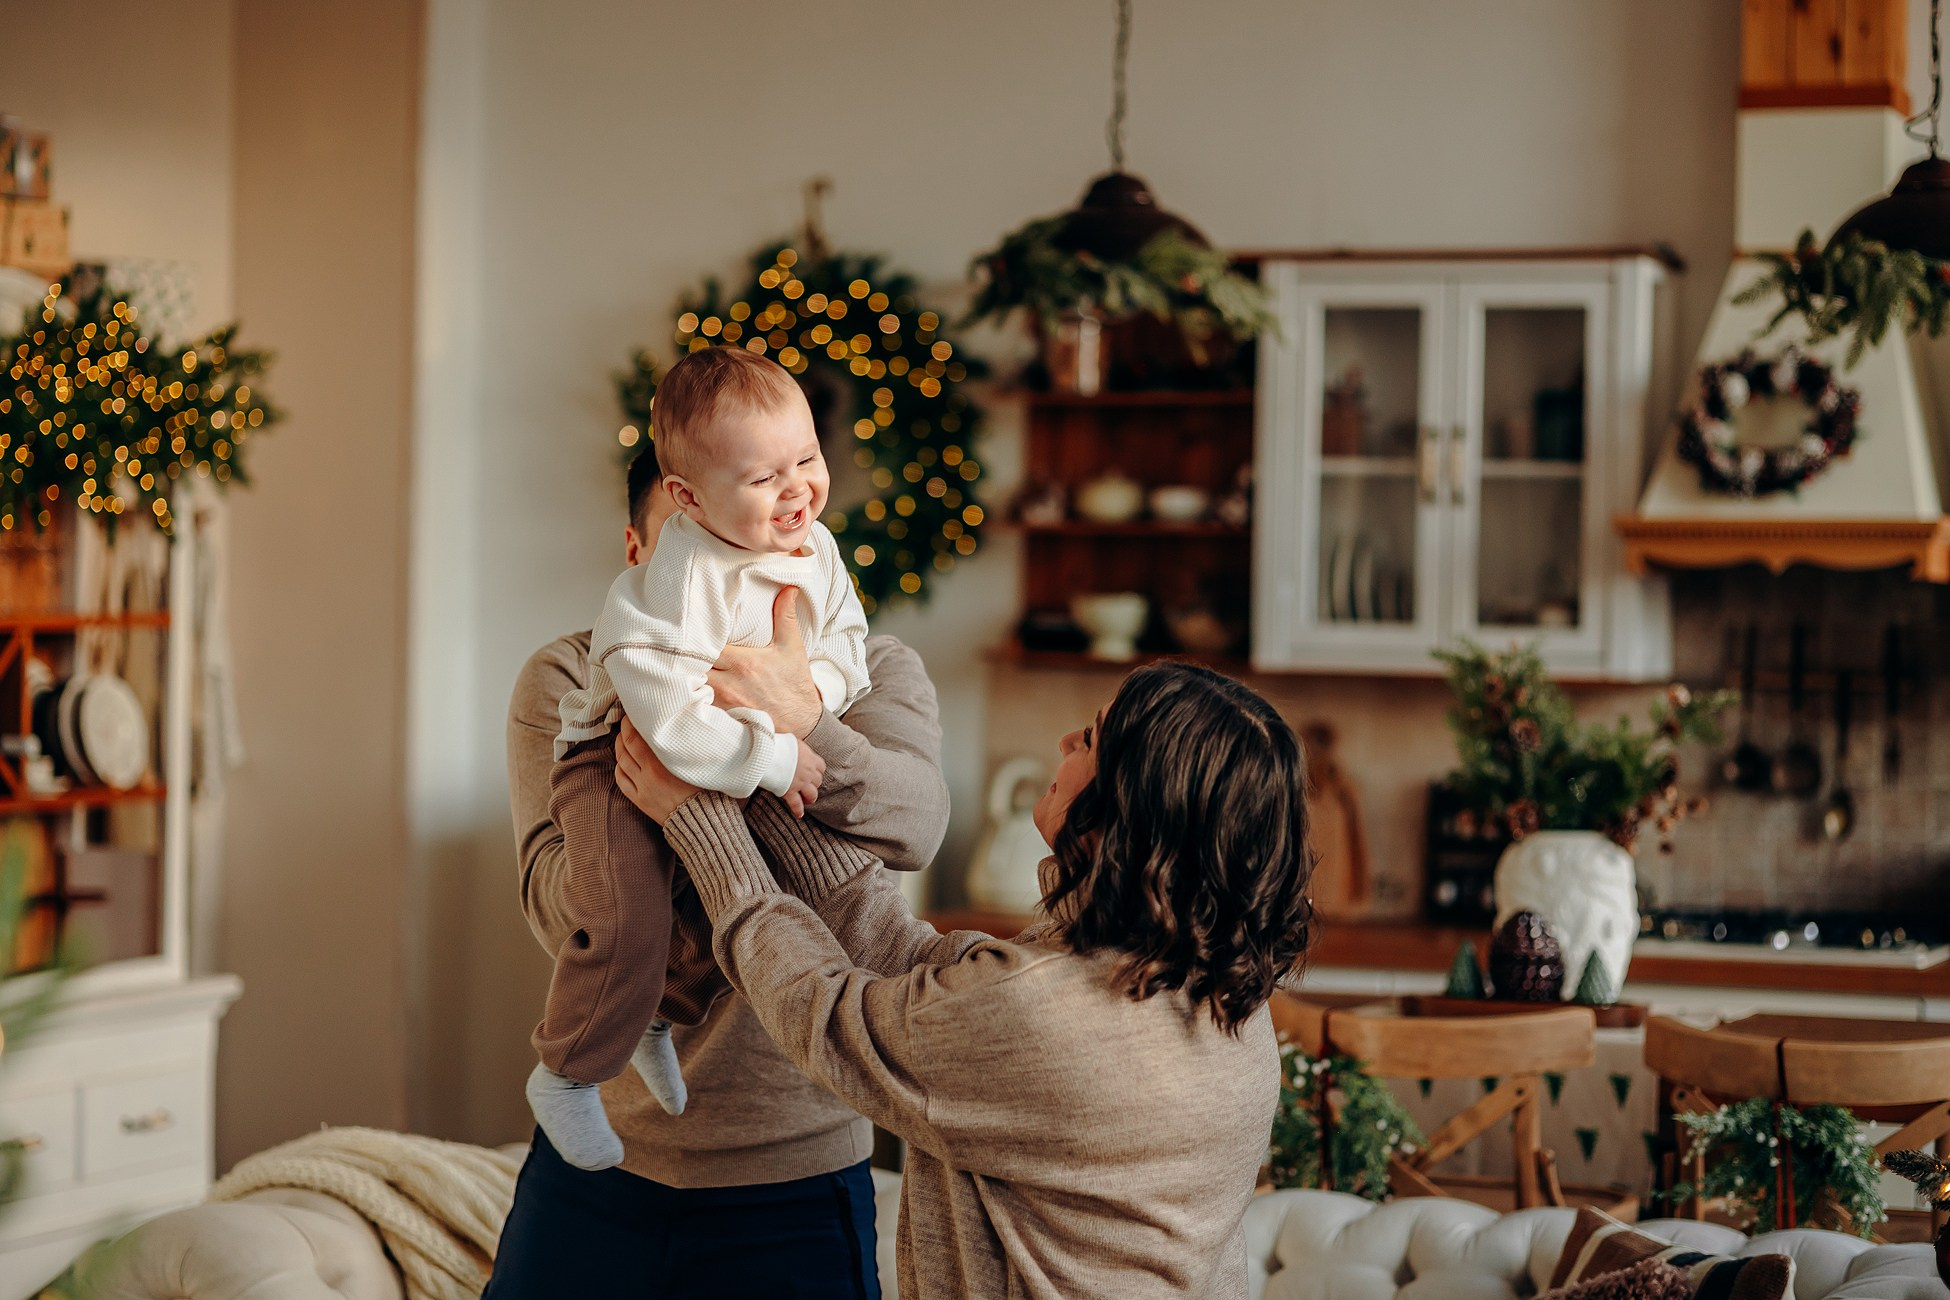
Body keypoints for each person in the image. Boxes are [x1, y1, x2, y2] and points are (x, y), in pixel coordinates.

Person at [617, 661, 1317, 1299]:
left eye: (1096, 741)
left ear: (1133, 812)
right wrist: (756, 778)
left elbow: (825, 1012)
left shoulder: (1047, 1011)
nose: (1069, 738)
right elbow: (909, 955)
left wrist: (698, 819)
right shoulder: (1226, 1003)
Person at [487, 439, 946, 1298]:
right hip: (595, 1171)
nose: (728, 581)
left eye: (748, 551)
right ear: (639, 556)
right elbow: (561, 914)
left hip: (799, 1177)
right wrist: (663, 749)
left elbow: (916, 826)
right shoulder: (575, 682)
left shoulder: (871, 673)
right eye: (695, 554)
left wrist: (794, 717)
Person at [529, 346, 871, 1170]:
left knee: (713, 913)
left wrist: (801, 697)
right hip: (620, 754)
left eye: (808, 460)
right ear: (686, 497)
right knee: (629, 910)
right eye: (763, 479)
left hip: (729, 750)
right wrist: (775, 758)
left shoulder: (814, 550)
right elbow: (669, 722)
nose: (797, 490)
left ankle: (649, 1016)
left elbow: (850, 651)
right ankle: (567, 1075)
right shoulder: (681, 574)